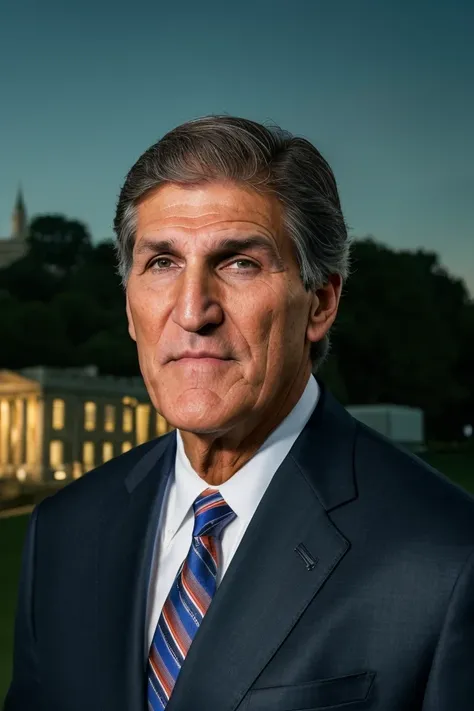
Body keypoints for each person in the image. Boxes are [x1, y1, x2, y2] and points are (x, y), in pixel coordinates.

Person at [4, 116, 474, 711]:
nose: (192, 310)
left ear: (321, 304)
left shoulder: (448, 558)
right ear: (129, 307)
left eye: (239, 263)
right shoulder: (61, 533)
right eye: (162, 263)